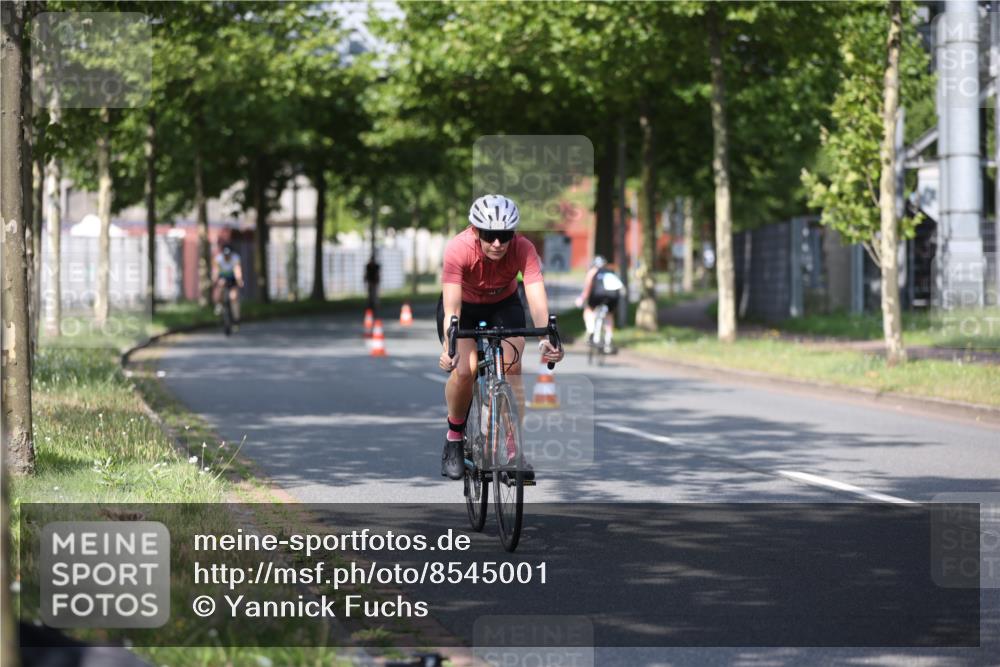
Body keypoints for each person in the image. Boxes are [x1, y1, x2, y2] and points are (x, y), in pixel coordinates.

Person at [437, 194, 563, 480]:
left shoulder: (524, 249)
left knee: (511, 367)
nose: (497, 243)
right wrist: (449, 347)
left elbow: (535, 295)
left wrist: (548, 337)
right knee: (466, 370)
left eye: (504, 236)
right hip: (464, 309)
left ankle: (514, 448)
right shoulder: (458, 248)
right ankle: (454, 437)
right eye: (490, 235)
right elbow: (452, 309)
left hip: (503, 305)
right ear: (475, 231)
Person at [575, 255, 624, 354]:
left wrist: (581, 299)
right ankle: (608, 338)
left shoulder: (592, 272)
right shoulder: (610, 272)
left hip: (597, 296)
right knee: (609, 315)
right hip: (612, 297)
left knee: (588, 310)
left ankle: (591, 331)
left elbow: (587, 289)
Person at [212, 244, 244, 326]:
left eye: (228, 255)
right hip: (222, 277)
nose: (227, 257)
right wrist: (214, 280)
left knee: (234, 297)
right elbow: (215, 271)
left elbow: (237, 270)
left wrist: (239, 280)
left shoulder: (235, 258)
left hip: (232, 278)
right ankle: (219, 304)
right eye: (225, 255)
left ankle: (236, 317)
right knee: (220, 287)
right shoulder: (218, 259)